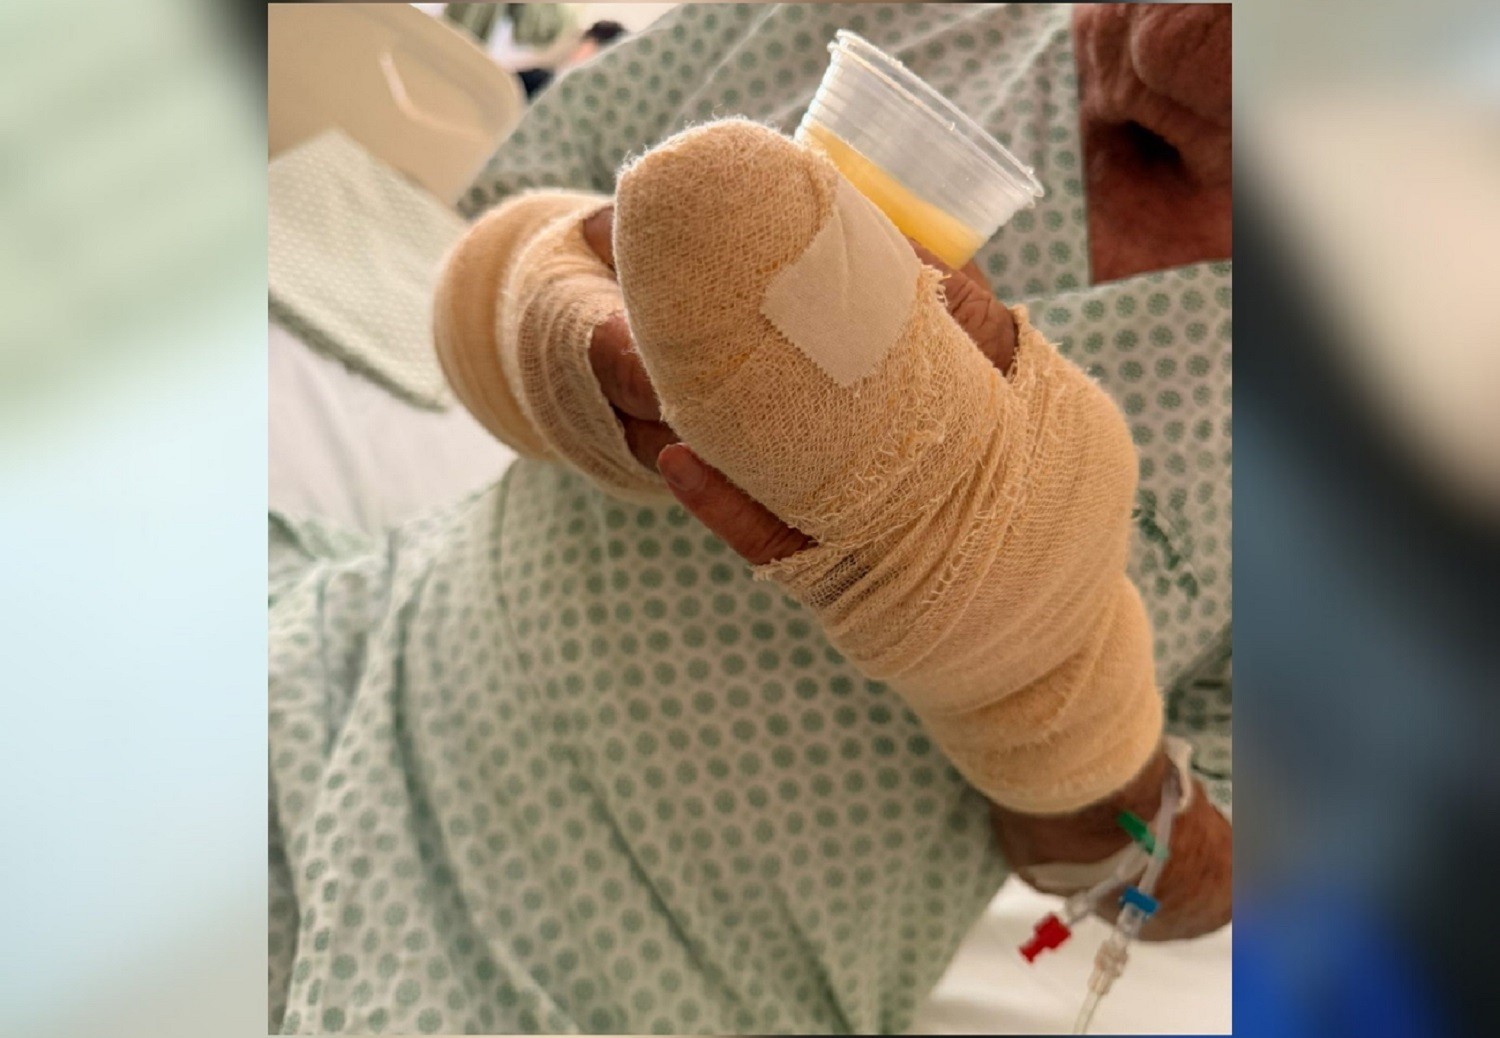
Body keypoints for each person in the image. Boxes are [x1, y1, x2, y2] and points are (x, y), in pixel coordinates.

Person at [269, 5, 1232, 1033]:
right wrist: (558, 338)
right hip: (367, 675)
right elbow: (512, 208)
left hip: (662, 982)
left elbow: (1190, 879)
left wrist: (1037, 669)